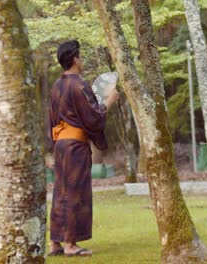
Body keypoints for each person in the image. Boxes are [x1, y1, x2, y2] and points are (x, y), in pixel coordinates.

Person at [47, 40, 119, 257]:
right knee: (74, 192)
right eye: (82, 56)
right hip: (75, 146)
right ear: (75, 59)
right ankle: (70, 244)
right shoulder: (78, 84)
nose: (83, 60)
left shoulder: (56, 86)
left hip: (60, 145)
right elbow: (93, 118)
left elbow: (51, 120)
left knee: (60, 191)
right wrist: (109, 101)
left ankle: (55, 243)